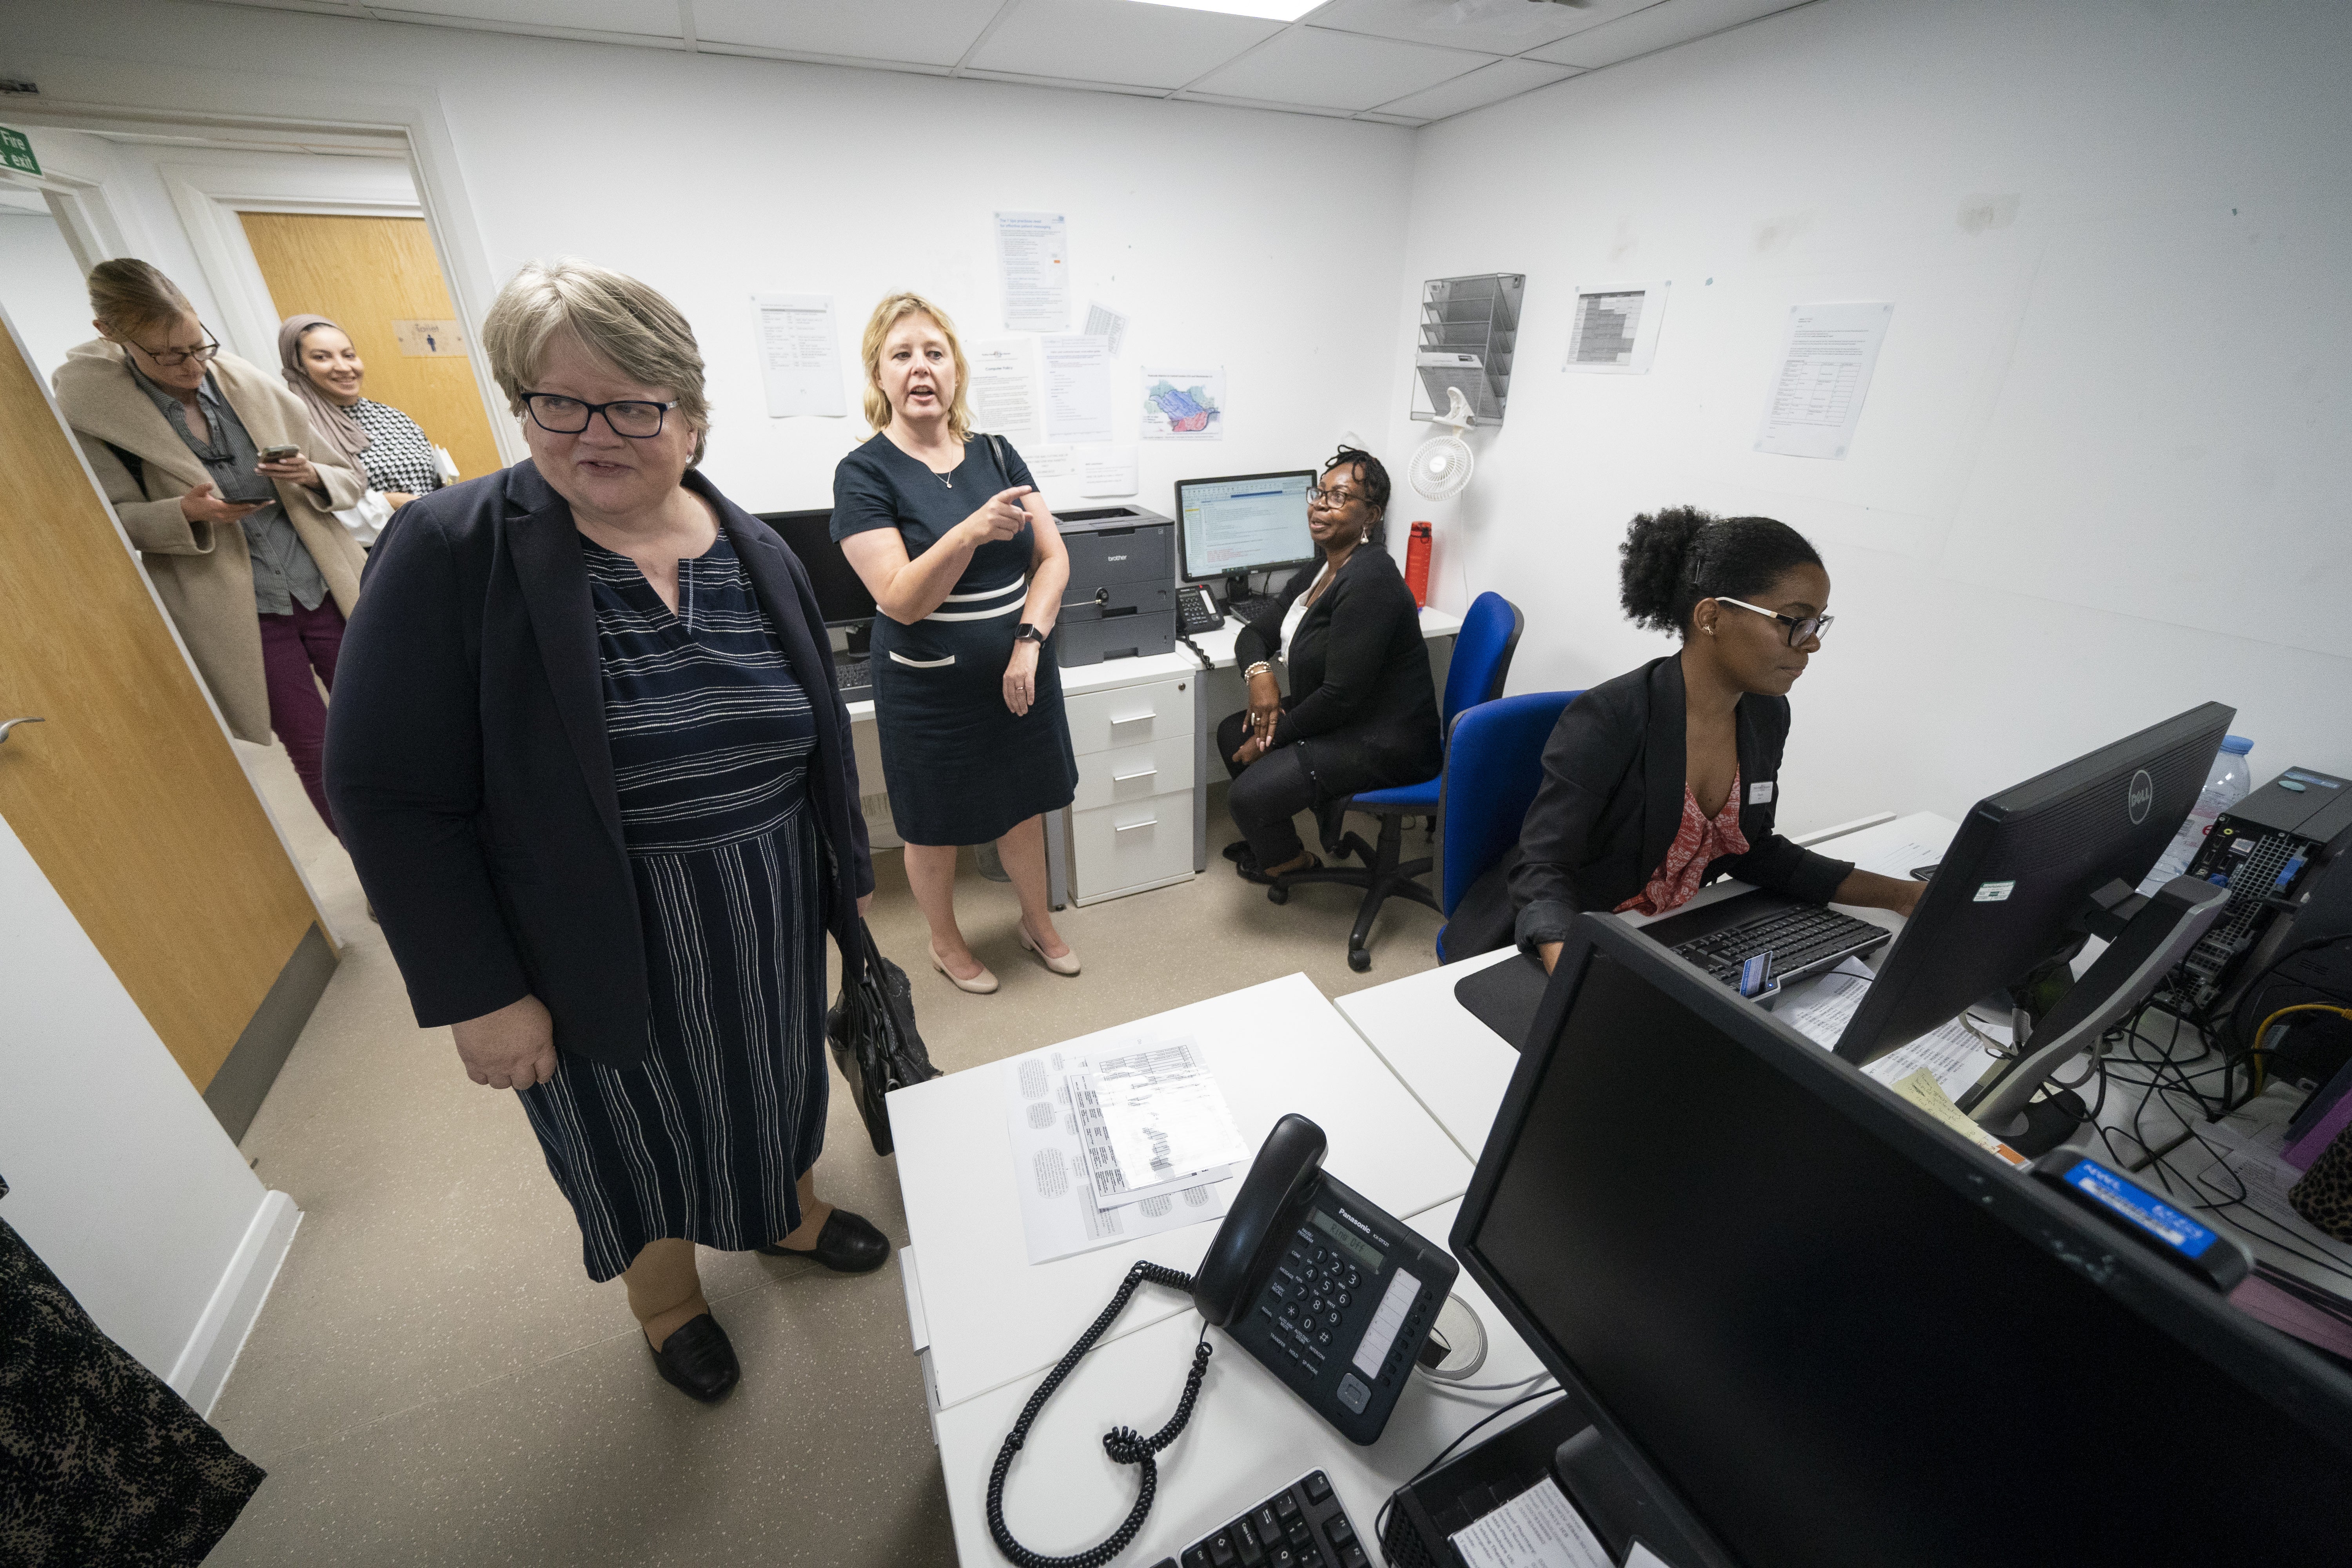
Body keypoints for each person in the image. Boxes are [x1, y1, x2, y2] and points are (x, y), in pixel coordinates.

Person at [323, 259, 886, 1406]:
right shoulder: (450, 549)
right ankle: (667, 1298)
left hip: (765, 909)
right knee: (635, 1130)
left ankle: (784, 1211)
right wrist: (476, 989)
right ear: (520, 401)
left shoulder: (754, 543)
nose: (594, 432)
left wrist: (845, 883)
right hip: (581, 935)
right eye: (557, 401)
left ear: (689, 410)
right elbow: (386, 793)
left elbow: (813, 734)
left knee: (777, 1083)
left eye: (633, 403)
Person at [1509, 507, 1924, 973]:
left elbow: (1751, 850)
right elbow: (1542, 872)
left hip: (1673, 933)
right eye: (1795, 621)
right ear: (1710, 617)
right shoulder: (1610, 718)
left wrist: (1902, 894)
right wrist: (1573, 979)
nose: (1811, 643)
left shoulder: (1765, 714)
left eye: (1817, 623)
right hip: (1569, 942)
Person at [53, 259, 366, 834]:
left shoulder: (248, 383)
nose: (192, 365)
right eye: (168, 355)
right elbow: (111, 521)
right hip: (240, 610)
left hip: (324, 585)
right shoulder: (93, 409)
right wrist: (183, 513)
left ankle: (428, 849)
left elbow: (347, 475)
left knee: (382, 725)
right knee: (316, 750)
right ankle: (379, 873)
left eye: (199, 346)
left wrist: (308, 475)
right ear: (111, 336)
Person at [831, 292, 1080, 994]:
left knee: (1026, 804)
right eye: (901, 355)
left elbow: (1053, 559)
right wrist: (969, 530)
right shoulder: (864, 474)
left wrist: (1029, 640)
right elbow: (901, 598)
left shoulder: (998, 453)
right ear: (879, 377)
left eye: (934, 353)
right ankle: (945, 942)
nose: (920, 369)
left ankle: (1037, 920)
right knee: (933, 826)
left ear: (956, 371)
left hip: (1021, 671)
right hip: (928, 684)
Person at [1217, 448, 1441, 882]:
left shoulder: (1370, 579)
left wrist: (1273, 738)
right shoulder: (1325, 566)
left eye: (1338, 498)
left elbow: (1340, 698)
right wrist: (1259, 674)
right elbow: (1254, 634)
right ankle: (1283, 842)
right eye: (1319, 493)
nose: (1320, 504)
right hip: (1348, 717)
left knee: (1248, 795)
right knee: (1233, 733)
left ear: (1371, 516)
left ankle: (1291, 864)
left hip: (1386, 738)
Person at [278, 313, 448, 541]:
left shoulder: (391, 416)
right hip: (376, 556)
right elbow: (309, 511)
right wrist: (389, 504)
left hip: (433, 537)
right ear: (298, 366)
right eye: (321, 358)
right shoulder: (295, 427)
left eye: (349, 355)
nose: (343, 367)